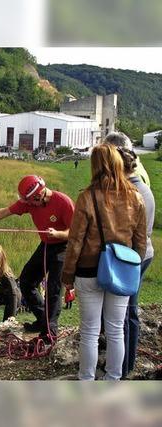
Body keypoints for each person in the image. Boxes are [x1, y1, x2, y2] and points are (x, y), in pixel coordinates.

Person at [61, 144, 147, 381]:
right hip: (121, 270)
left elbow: (75, 241)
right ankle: (113, 380)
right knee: (116, 330)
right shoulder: (136, 198)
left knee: (89, 331)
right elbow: (140, 243)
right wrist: (132, 269)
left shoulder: (87, 197)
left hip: (88, 271)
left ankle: (86, 380)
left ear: (95, 165)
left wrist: (67, 275)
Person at [0, 175, 75, 343]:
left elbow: (75, 231)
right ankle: (42, 320)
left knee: (53, 289)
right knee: (27, 281)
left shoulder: (63, 202)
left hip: (64, 246)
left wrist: (58, 233)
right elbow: (4, 212)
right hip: (45, 244)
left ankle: (49, 333)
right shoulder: (29, 202)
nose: (28, 206)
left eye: (31, 202)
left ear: (40, 194)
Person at [117, 147, 155, 379]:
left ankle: (122, 369)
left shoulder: (130, 193)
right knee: (129, 312)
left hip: (131, 257)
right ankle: (126, 364)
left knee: (123, 314)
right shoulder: (143, 187)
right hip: (142, 254)